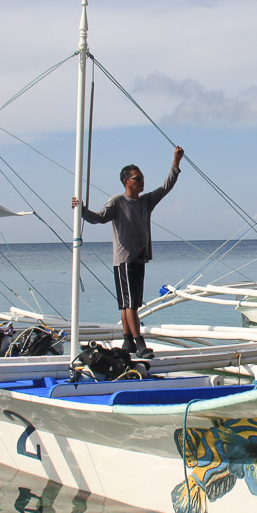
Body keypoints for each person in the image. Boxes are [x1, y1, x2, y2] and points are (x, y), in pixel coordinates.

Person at [72, 146, 185, 357]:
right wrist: (81, 210)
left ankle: (127, 342)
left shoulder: (145, 201)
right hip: (124, 260)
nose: (142, 181)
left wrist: (176, 162)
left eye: (142, 178)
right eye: (138, 178)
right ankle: (139, 343)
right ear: (127, 182)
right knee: (130, 304)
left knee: (128, 303)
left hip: (139, 259)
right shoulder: (117, 201)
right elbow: (98, 218)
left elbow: (166, 186)